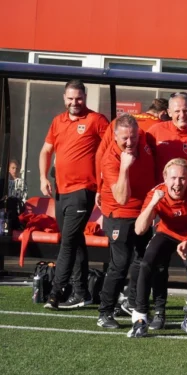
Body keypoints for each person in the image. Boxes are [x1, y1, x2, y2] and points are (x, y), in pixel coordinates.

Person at [41, 80, 109, 310]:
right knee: (75, 240)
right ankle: (81, 292)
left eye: (78, 98)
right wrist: (43, 177)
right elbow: (46, 151)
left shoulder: (96, 120)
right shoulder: (57, 121)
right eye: (70, 98)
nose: (74, 102)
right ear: (64, 98)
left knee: (68, 242)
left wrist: (102, 185)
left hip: (83, 190)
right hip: (61, 190)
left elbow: (111, 149)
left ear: (85, 97)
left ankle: (56, 291)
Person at [128, 158, 187, 338]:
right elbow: (139, 229)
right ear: (165, 178)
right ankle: (140, 318)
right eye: (173, 178)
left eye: (182, 178)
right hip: (167, 232)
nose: (177, 183)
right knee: (146, 264)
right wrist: (153, 203)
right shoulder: (156, 193)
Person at [96, 115, 156, 328]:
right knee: (119, 265)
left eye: (133, 137)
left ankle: (133, 304)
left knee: (143, 261)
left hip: (143, 214)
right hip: (119, 215)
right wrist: (124, 166)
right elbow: (121, 198)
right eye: (125, 138)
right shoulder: (111, 158)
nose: (130, 142)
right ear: (115, 137)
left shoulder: (146, 142)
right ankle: (105, 312)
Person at [95, 98, 169, 208]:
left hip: (115, 200)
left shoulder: (119, 122)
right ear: (163, 113)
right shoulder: (159, 126)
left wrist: (99, 189)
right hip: (143, 198)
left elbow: (100, 154)